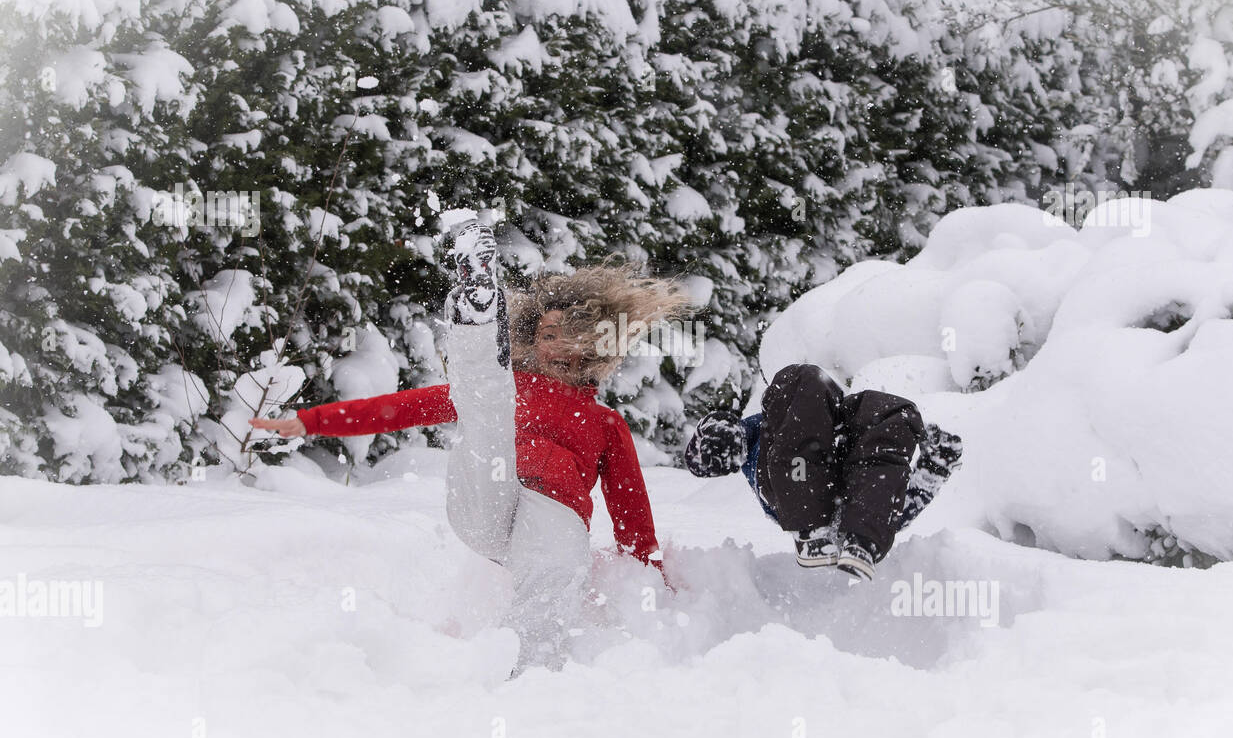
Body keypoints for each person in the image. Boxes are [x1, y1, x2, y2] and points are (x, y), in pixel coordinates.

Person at [251, 221, 692, 668]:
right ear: (532, 343)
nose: (555, 346)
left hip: (556, 513)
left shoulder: (604, 423)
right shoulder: (511, 387)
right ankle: (477, 307)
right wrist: (311, 422)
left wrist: (649, 578)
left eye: (567, 335)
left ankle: (531, 676)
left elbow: (631, 508)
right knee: (484, 403)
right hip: (488, 494)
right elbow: (400, 409)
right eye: (546, 335)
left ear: (592, 345)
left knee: (553, 574)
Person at [684, 364, 963, 580]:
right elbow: (890, 504)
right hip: (806, 487)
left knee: (895, 415)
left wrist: (934, 468)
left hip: (823, 464)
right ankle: (815, 529)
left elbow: (888, 501)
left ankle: (836, 533)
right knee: (805, 383)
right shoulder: (763, 447)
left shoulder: (858, 508)